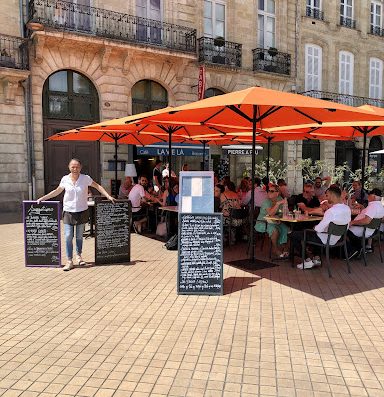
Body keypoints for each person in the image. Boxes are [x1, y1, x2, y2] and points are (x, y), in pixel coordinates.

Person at [37, 158, 115, 271]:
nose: (75, 169)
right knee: (68, 236)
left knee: (79, 236)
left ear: (80, 168)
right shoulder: (65, 179)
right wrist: (43, 198)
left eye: (77, 167)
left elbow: (97, 186)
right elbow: (57, 191)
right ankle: (69, 260)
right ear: (69, 167)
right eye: (73, 167)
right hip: (68, 211)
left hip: (82, 210)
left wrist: (108, 196)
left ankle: (79, 256)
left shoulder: (85, 178)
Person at [291, 185, 351, 269]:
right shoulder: (347, 209)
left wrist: (315, 227)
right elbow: (347, 226)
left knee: (294, 234)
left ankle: (307, 260)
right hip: (339, 238)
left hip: (326, 239)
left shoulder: (331, 211)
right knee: (313, 234)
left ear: (332, 195)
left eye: (327, 196)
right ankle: (316, 258)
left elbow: (318, 229)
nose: (326, 198)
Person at [347, 188, 384, 258]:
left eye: (369, 195)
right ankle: (359, 248)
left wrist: (352, 222)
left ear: (373, 196)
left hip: (363, 230)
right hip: (372, 230)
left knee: (344, 231)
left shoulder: (373, 206)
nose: (368, 196)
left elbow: (366, 221)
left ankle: (354, 250)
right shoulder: (380, 206)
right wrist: (363, 207)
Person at [255, 184, 289, 258]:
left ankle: (285, 248)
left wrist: (280, 216)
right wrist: (277, 204)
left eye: (272, 191)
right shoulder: (266, 202)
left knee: (287, 230)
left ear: (277, 193)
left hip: (275, 221)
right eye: (268, 191)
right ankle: (275, 249)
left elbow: (283, 212)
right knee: (274, 230)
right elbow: (270, 213)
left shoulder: (280, 199)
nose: (269, 192)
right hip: (263, 222)